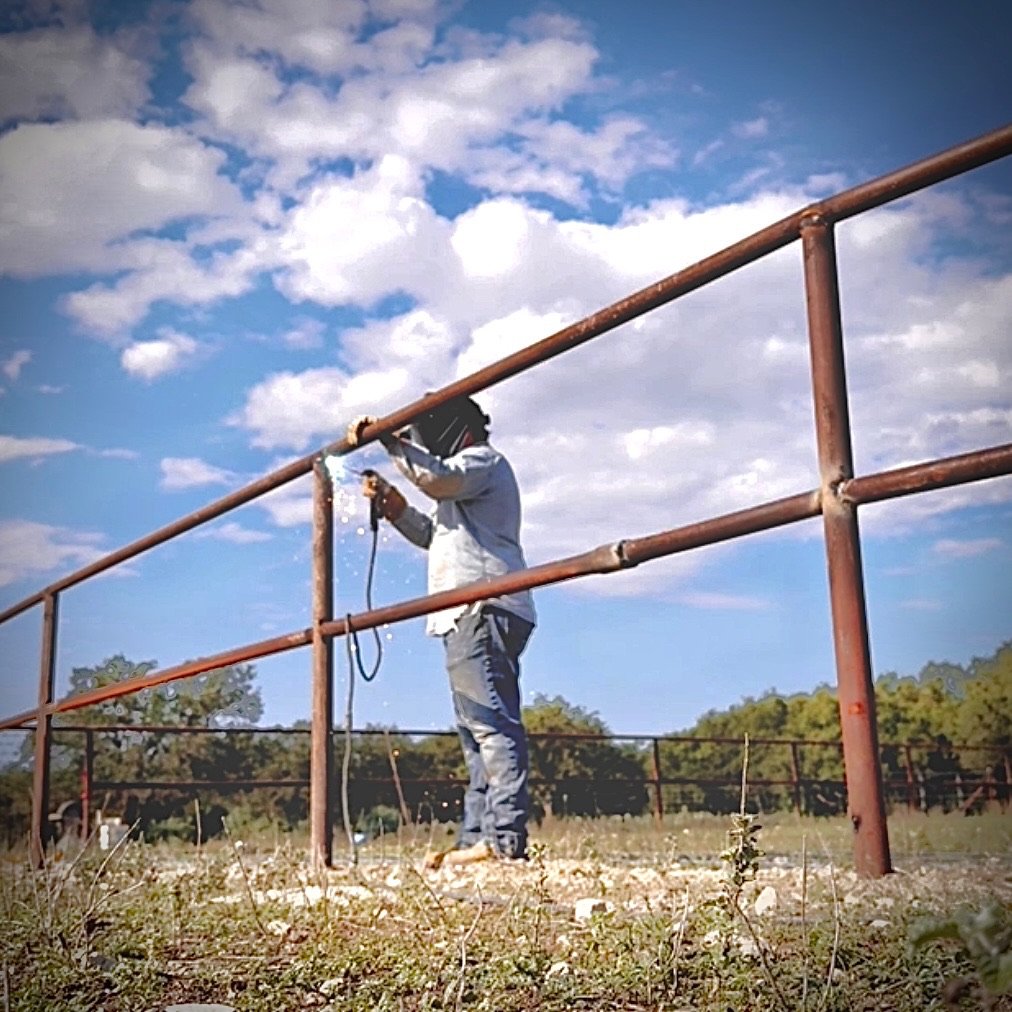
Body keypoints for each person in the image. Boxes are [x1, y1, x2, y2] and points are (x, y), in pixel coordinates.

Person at [347, 395, 536, 866]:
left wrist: (389, 440)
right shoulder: (467, 484)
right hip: (474, 609)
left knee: (491, 728)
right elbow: (435, 535)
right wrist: (392, 505)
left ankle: (503, 841)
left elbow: (436, 479)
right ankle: (479, 838)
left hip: (481, 605)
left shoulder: (481, 462)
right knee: (478, 731)